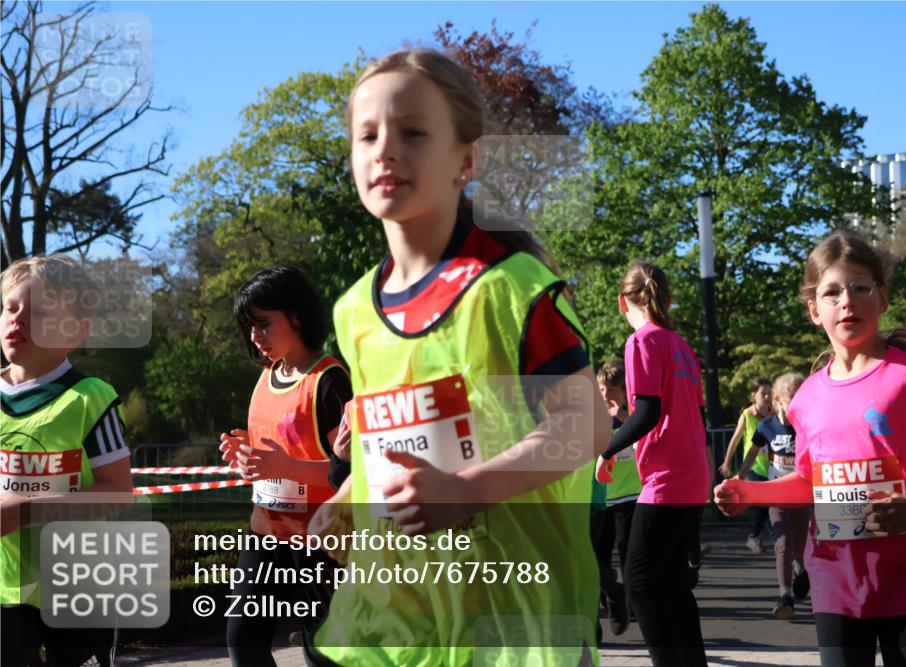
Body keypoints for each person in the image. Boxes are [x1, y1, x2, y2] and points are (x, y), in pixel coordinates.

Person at [304, 48, 610, 667]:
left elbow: (586, 427)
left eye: (413, 132)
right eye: (367, 135)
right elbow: (385, 431)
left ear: (465, 160)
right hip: (395, 617)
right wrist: (343, 503)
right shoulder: (351, 310)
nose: (385, 150)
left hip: (514, 625)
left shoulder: (514, 287)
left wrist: (467, 490)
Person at [715, 233, 906, 667]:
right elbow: (810, 482)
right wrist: (750, 493)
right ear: (814, 309)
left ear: (882, 299)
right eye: (832, 292)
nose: (847, 301)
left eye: (860, 288)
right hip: (834, 582)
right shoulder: (807, 396)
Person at [1, 255, 134, 666]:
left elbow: (117, 494)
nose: (18, 320)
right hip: (6, 590)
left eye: (39, 311)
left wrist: (24, 510)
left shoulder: (89, 397)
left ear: (75, 330)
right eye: (11, 307)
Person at [219, 266, 352, 667]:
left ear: (296, 316)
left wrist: (288, 465)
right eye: (249, 327)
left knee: (325, 653)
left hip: (321, 541)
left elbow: (354, 472)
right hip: (266, 533)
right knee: (243, 640)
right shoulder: (266, 375)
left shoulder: (330, 380)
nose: (255, 337)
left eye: (263, 324)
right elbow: (273, 450)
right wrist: (246, 454)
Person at [595, 261, 709, 667]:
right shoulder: (680, 344)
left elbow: (647, 411)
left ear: (621, 301)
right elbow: (699, 413)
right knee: (673, 584)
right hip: (693, 474)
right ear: (668, 299)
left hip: (666, 479)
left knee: (641, 584)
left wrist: (606, 450)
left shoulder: (641, 342)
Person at [738, 372, 810, 620]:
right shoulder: (766, 426)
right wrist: (741, 477)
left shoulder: (806, 426)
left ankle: (800, 568)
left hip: (801, 495)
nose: (799, 404)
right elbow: (752, 452)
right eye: (793, 398)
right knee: (782, 542)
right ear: (779, 400)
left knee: (799, 546)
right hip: (776, 494)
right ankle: (785, 596)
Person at [593, 359, 638, 636]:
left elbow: (641, 439)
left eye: (612, 390)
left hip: (630, 495)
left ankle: (630, 604)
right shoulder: (592, 417)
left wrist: (620, 417)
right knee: (595, 554)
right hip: (599, 497)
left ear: (624, 391)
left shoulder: (634, 416)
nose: (606, 396)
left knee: (626, 549)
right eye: (601, 389)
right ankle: (612, 593)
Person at [720, 377, 774, 553]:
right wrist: (727, 461)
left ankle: (757, 535)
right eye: (763, 393)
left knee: (771, 503)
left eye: (769, 393)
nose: (767, 397)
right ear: (754, 395)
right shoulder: (747, 415)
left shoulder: (775, 413)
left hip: (772, 466)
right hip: (753, 466)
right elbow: (735, 439)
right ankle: (757, 536)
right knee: (763, 501)